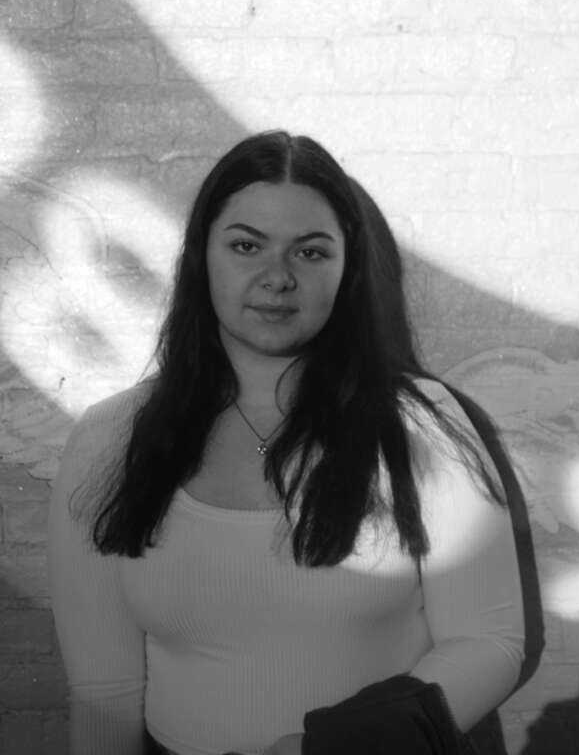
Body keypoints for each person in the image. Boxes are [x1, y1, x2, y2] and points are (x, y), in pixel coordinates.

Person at [47, 130, 526, 755]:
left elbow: (491, 642)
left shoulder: (424, 424)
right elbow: (104, 691)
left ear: (346, 268)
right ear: (201, 256)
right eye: (247, 245)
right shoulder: (110, 437)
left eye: (310, 252)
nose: (276, 277)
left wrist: (322, 749)